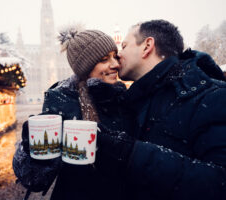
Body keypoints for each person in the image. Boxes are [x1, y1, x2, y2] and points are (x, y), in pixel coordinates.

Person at [96, 19, 226, 200]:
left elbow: (220, 184)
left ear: (147, 46)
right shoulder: (135, 100)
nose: (118, 56)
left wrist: (132, 154)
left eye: (124, 46)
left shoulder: (212, 97)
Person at [13, 28, 129, 200]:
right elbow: (35, 180)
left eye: (115, 56)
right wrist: (32, 149)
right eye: (105, 59)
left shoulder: (124, 98)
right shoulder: (61, 100)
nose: (115, 64)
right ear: (85, 66)